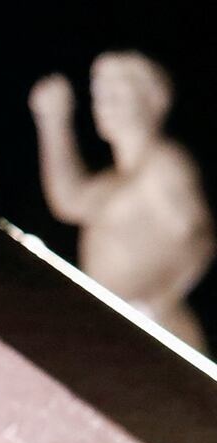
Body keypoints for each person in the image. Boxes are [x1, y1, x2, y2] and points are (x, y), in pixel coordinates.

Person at [30, 53, 214, 350]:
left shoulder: (163, 165)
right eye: (100, 95)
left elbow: (199, 239)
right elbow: (68, 202)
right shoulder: (111, 183)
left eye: (117, 95)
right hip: (115, 328)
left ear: (150, 100)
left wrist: (161, 297)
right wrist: (53, 121)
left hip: (156, 328)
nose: (105, 106)